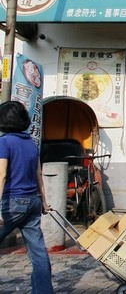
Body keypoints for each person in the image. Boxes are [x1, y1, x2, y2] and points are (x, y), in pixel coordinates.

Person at [0, 101, 54, 294]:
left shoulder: (4, 142)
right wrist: (44, 202)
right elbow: (38, 174)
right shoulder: (31, 143)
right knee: (38, 253)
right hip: (33, 201)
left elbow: (2, 175)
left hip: (11, 202)